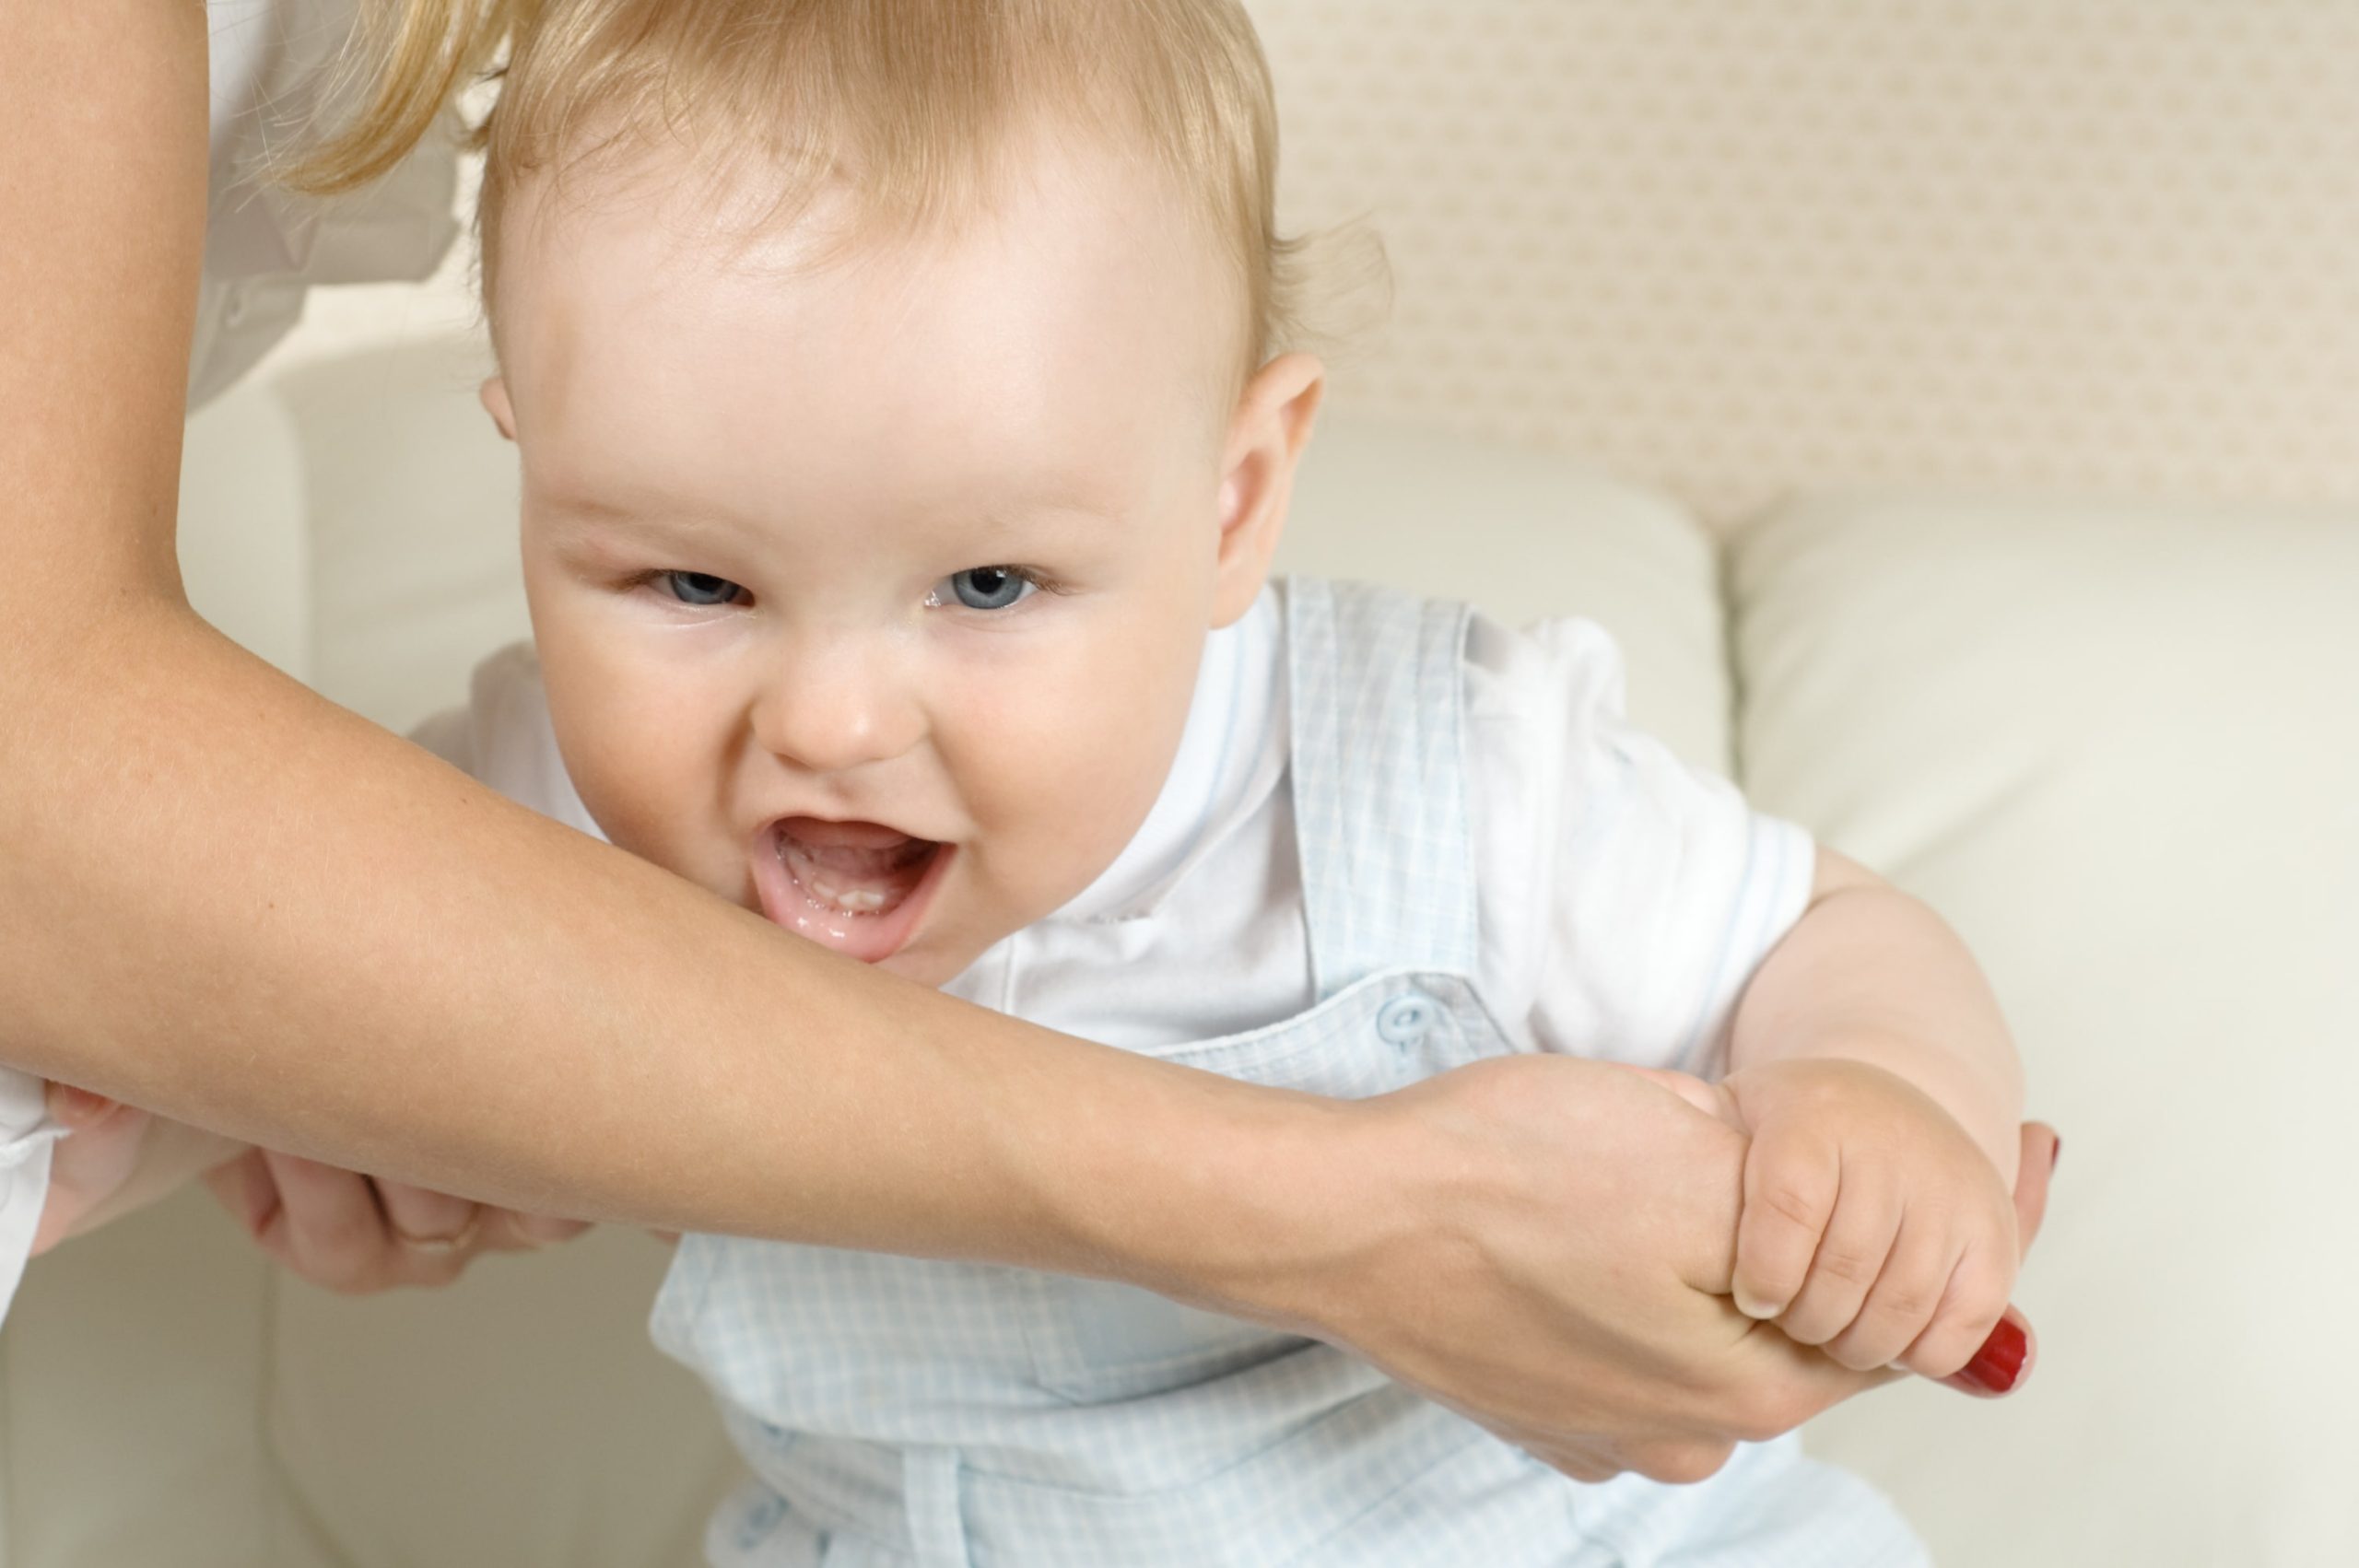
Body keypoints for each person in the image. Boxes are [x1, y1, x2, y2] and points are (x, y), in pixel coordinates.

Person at [0, 0, 2055, 1499]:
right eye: (686, 587)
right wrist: (165, 1126)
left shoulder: (1437, 762)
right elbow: (271, 996)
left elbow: (1825, 928)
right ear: (527, 467)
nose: (824, 716)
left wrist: (1873, 1099)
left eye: (984, 589)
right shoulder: (546, 814)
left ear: (1236, 494)